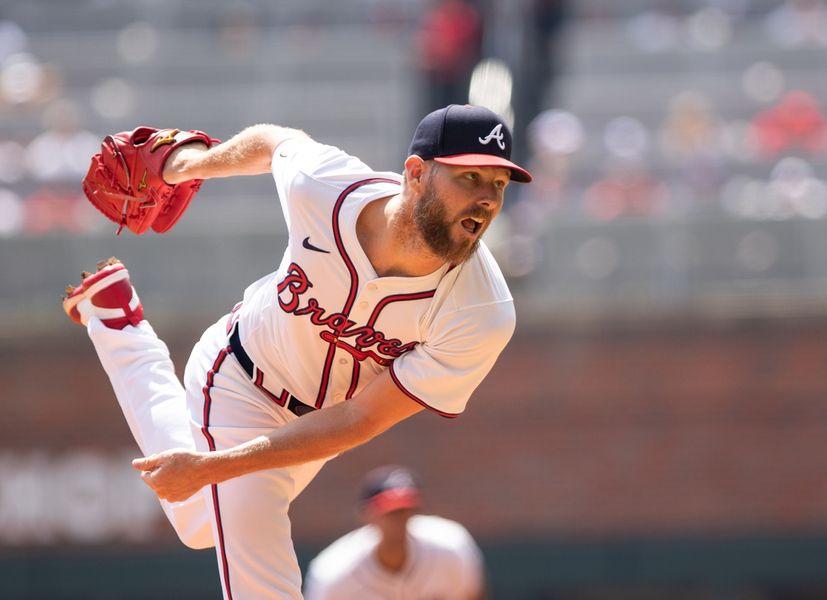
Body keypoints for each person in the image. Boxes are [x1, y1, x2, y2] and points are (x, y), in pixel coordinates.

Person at [62, 103, 531, 600]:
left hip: (319, 427)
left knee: (199, 523)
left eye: (498, 185)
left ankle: (116, 318)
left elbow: (359, 420)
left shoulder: (481, 311)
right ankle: (118, 322)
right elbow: (273, 142)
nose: (485, 199)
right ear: (415, 174)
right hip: (240, 377)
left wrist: (209, 469)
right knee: (261, 578)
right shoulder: (328, 189)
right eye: (471, 177)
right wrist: (186, 165)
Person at [303, 465, 487, 599]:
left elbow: (472, 595)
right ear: (367, 515)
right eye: (389, 511)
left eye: (405, 508)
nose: (399, 518)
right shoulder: (334, 572)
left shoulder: (450, 546)